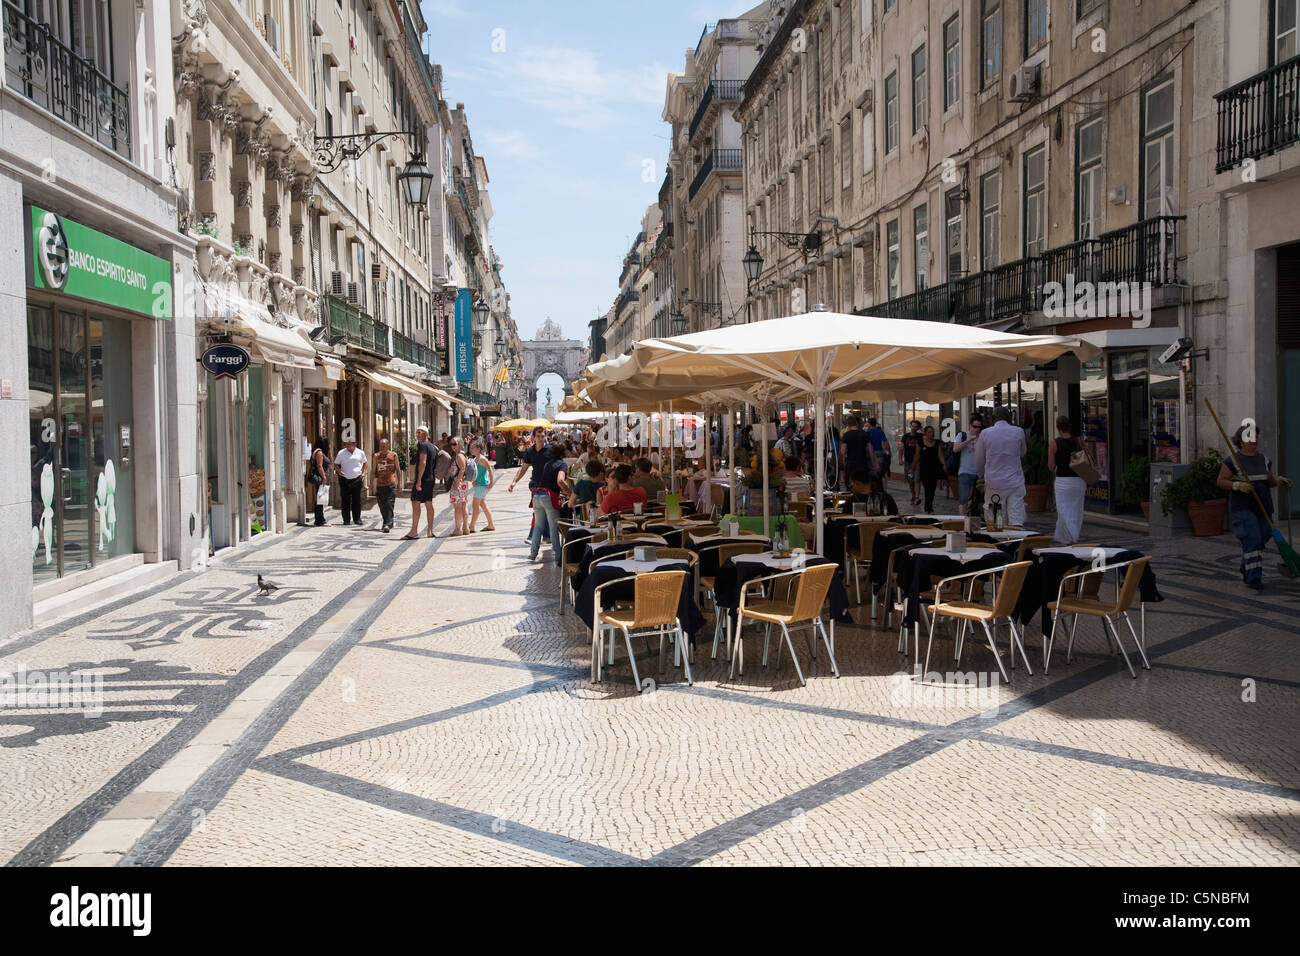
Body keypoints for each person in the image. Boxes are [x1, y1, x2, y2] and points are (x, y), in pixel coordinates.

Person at [1216, 423, 1292, 590]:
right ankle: (1253, 577)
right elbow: (1221, 481)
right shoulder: (1233, 461)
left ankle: (1246, 564)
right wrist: (1237, 486)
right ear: (1241, 441)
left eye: (1256, 437)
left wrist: (1279, 480)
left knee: (1263, 536)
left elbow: (1269, 480)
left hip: (1263, 506)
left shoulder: (1264, 460)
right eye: (1250, 437)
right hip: (1243, 507)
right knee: (1253, 539)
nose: (1254, 440)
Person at [974, 405, 1028, 528]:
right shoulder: (1019, 431)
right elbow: (1022, 452)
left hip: (994, 482)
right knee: (1016, 516)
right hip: (1015, 481)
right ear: (1009, 418)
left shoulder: (985, 433)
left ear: (993, 418)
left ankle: (999, 543)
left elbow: (979, 459)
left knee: (995, 518)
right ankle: (1016, 541)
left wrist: (981, 474)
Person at [508, 427, 551, 546]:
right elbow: (523, 469)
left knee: (542, 511)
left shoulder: (550, 450)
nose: (541, 439)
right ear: (534, 437)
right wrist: (514, 482)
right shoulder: (530, 451)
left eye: (543, 436)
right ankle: (545, 536)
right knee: (540, 511)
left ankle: (538, 536)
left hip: (548, 485)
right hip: (536, 485)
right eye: (538, 436)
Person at [1048, 416, 1087, 544]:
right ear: (1069, 426)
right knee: (1076, 510)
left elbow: (1051, 466)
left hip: (1062, 481)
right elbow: (1088, 457)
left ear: (1058, 427)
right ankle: (1071, 536)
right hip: (1078, 480)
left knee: (1063, 510)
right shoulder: (1078, 441)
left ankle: (1069, 537)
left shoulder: (1054, 443)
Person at [529, 443, 568, 565]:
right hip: (549, 497)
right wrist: (570, 492)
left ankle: (533, 553)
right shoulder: (562, 464)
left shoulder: (548, 464)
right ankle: (557, 555)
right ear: (562, 453)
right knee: (553, 527)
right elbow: (560, 481)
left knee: (538, 526)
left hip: (537, 495)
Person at [403, 426, 439, 540]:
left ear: (426, 434)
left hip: (423, 479)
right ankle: (429, 531)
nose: (417, 435)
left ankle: (414, 531)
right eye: (416, 432)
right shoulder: (432, 447)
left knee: (416, 502)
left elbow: (422, 463)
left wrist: (418, 480)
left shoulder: (423, 446)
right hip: (430, 479)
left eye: (419, 432)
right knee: (428, 502)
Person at [952, 414, 983, 516]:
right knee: (964, 497)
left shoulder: (982, 437)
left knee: (978, 499)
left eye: (979, 427)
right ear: (970, 425)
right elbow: (955, 449)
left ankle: (975, 519)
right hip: (965, 471)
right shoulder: (962, 435)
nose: (977, 429)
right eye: (975, 427)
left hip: (979, 473)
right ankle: (962, 520)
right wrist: (969, 440)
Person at [333, 437, 367, 527]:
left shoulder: (360, 452)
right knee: (345, 500)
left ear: (354, 444)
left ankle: (357, 519)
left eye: (349, 444)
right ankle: (346, 519)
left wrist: (363, 474)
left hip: (357, 478)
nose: (348, 446)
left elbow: (365, 463)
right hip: (345, 479)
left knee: (357, 500)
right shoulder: (341, 453)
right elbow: (336, 464)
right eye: (346, 444)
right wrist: (339, 471)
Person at [371, 437, 400, 533]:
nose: (382, 448)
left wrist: (399, 483)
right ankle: (386, 521)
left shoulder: (393, 455)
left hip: (390, 483)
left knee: (389, 503)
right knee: (382, 504)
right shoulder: (376, 456)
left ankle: (388, 523)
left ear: (388, 445)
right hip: (380, 484)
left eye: (384, 446)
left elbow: (398, 470)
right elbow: (373, 470)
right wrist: (372, 484)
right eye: (380, 446)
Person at [839, 415, 877, 488]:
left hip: (851, 463)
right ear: (857, 424)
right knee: (863, 484)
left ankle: (853, 497)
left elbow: (843, 451)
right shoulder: (865, 434)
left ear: (848, 425)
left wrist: (843, 461)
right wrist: (873, 463)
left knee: (850, 485)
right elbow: (870, 449)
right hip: (862, 463)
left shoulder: (846, 435)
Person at [468, 438, 496, 533]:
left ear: (478, 449)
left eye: (473, 448)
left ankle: (471, 526)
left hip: (482, 485)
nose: (471, 450)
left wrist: (491, 482)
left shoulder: (482, 459)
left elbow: (490, 470)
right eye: (470, 448)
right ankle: (491, 524)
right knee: (483, 505)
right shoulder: (476, 459)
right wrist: (473, 481)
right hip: (479, 485)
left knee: (475, 506)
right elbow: (476, 473)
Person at [447, 437, 474, 536]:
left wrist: (457, 482)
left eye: (454, 444)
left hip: (459, 483)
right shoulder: (463, 454)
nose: (452, 446)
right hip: (463, 483)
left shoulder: (459, 456)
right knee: (463, 505)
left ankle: (458, 529)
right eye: (451, 444)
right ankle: (465, 528)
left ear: (460, 444)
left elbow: (462, 469)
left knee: (458, 507)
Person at [917, 425, 946, 514]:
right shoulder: (920, 443)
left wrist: (944, 464)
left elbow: (940, 455)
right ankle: (928, 506)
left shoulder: (937, 443)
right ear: (925, 433)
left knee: (932, 488)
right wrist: (913, 467)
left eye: (933, 432)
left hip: (934, 468)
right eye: (929, 432)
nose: (932, 434)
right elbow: (917, 456)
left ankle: (929, 506)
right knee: (927, 488)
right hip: (924, 468)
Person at [900, 420, 924, 506]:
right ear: (910, 426)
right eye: (912, 426)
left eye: (915, 426)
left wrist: (922, 429)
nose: (913, 428)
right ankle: (913, 495)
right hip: (908, 461)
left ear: (918, 428)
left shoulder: (920, 436)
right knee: (910, 481)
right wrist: (900, 458)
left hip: (918, 461)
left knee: (917, 479)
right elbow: (901, 447)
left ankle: (917, 497)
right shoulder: (905, 436)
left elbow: (929, 436)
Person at [309, 438, 330, 526]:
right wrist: (324, 477)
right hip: (320, 478)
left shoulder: (317, 451)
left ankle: (320, 519)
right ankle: (320, 520)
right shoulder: (319, 453)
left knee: (319, 498)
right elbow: (319, 466)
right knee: (320, 499)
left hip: (320, 477)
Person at [865, 417, 891, 488]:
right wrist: (887, 452)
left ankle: (873, 488)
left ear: (869, 424)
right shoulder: (880, 432)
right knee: (881, 473)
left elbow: (867, 445)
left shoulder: (868, 433)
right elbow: (885, 443)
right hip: (880, 453)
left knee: (872, 472)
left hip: (871, 454)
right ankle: (883, 489)